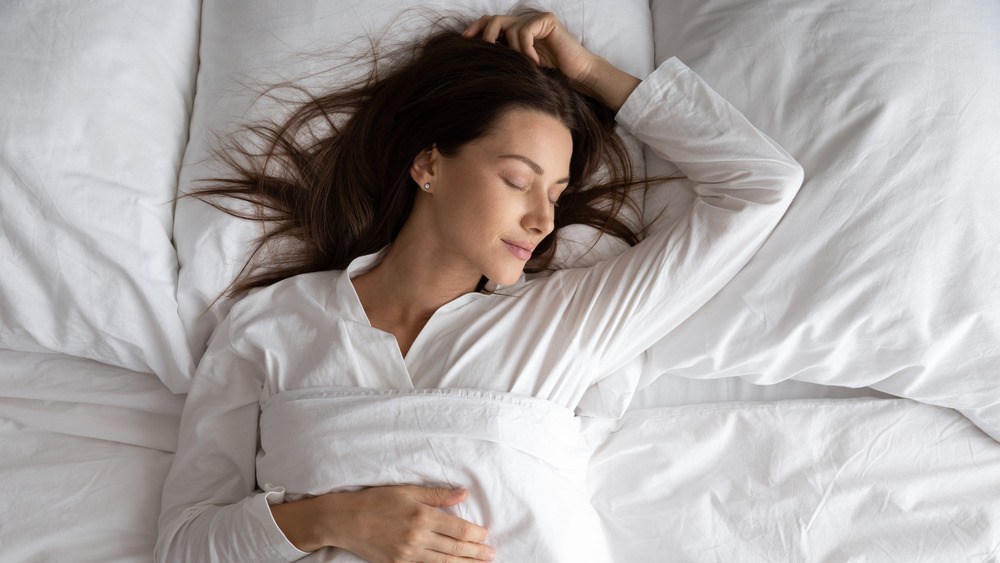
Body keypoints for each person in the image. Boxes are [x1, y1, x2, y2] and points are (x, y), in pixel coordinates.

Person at [156, 10, 803, 563]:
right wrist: (331, 519)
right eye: (519, 180)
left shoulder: (564, 321)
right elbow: (184, 542)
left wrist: (588, 73)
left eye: (555, 193)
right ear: (430, 164)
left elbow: (759, 184)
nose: (544, 219)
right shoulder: (272, 325)